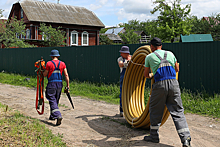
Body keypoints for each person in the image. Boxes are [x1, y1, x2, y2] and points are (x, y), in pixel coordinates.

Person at [144, 37, 192, 147]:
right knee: (178, 111)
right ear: (161, 45)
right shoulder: (170, 53)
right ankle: (185, 139)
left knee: (155, 109)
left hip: (159, 85)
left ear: (152, 46)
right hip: (174, 84)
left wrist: (152, 74)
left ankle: (154, 136)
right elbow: (177, 69)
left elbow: (146, 75)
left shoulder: (149, 57)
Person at [43, 49, 69, 126]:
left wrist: (42, 71)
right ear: (58, 56)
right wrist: (67, 86)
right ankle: (52, 116)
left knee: (51, 99)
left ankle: (57, 115)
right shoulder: (62, 64)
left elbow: (45, 74)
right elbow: (66, 75)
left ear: (51, 56)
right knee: (55, 100)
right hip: (59, 84)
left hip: (52, 84)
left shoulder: (49, 63)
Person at [117, 46, 132, 117]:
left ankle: (130, 110)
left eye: (122, 53)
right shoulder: (120, 59)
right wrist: (126, 64)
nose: (120, 54)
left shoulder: (132, 58)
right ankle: (122, 110)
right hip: (123, 78)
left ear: (126, 53)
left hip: (132, 78)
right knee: (122, 94)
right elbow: (120, 64)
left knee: (131, 93)